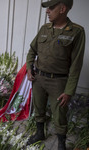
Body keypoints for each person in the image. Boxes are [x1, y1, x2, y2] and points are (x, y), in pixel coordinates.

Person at [26, 0, 85, 149]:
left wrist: (69, 91)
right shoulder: (44, 29)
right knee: (38, 108)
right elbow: (32, 50)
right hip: (38, 78)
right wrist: (29, 68)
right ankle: (40, 133)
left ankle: (61, 144)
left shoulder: (76, 31)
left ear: (62, 9)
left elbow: (76, 65)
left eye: (51, 8)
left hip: (58, 82)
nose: (47, 11)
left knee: (59, 115)